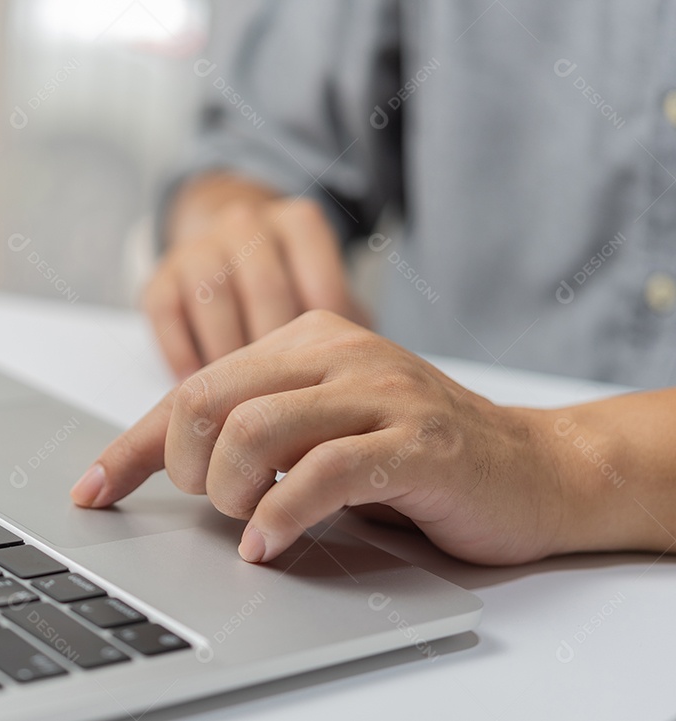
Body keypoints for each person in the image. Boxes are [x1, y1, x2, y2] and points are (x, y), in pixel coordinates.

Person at [69, 0, 676, 566]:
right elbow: (264, 143)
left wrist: (544, 463)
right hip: (408, 518)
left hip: (463, 515)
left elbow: (534, 462)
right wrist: (236, 227)